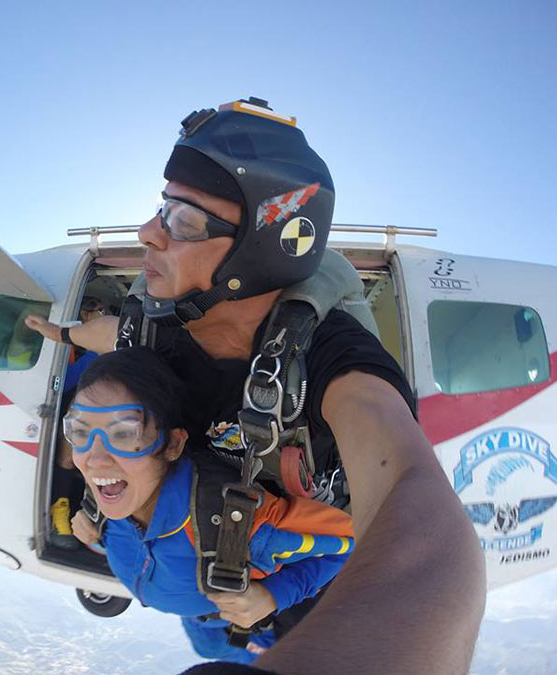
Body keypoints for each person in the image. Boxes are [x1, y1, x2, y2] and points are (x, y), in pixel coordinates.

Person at [27, 97, 485, 672]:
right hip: (197, 568)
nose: (148, 233)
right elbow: (112, 333)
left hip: (288, 584)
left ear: (258, 251)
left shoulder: (333, 363)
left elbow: (424, 527)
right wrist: (60, 333)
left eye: (183, 221)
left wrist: (277, 603)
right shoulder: (159, 324)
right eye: (161, 208)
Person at [66, 347, 354, 663]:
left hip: (249, 631)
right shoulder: (111, 494)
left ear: (173, 444)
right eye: (79, 432)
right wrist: (95, 528)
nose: (94, 459)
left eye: (123, 434)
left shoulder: (240, 524)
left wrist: (276, 595)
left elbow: (354, 541)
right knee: (207, 649)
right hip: (201, 624)